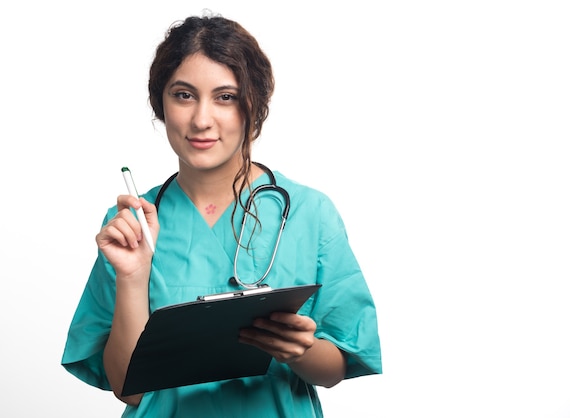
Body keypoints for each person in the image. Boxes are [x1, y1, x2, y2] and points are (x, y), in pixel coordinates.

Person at [61, 13, 382, 417]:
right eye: (183, 95)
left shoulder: (309, 213)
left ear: (254, 105)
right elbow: (129, 390)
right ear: (160, 103)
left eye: (225, 97)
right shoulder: (131, 225)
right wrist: (132, 275)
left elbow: (336, 367)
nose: (201, 119)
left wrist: (300, 351)